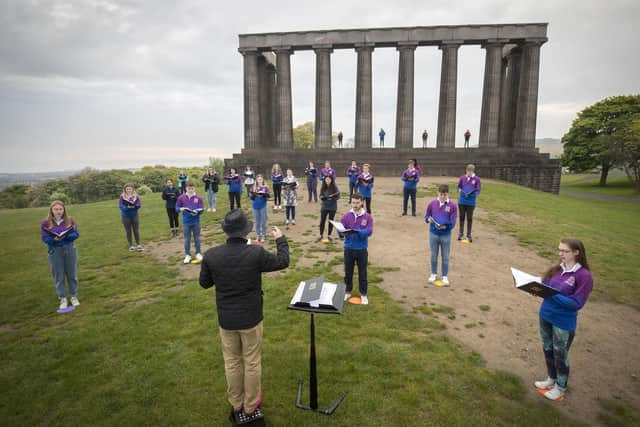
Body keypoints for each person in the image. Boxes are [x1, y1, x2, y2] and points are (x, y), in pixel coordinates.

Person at [199, 210, 289, 423]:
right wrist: (281, 239)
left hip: (227, 320)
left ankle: (237, 404)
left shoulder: (212, 255)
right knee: (251, 362)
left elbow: (204, 283)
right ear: (245, 232)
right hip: (250, 319)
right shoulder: (255, 253)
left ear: (227, 232)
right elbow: (282, 261)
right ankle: (249, 407)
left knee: (232, 362)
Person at [534, 238, 593, 401]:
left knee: (560, 354)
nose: (561, 254)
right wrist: (535, 289)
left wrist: (552, 294)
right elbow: (544, 285)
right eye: (559, 250)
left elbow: (576, 303)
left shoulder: (584, 276)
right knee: (548, 349)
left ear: (576, 253)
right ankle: (551, 379)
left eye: (565, 251)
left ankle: (560, 388)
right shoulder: (557, 269)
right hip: (545, 315)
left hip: (563, 322)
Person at [41, 200, 80, 310]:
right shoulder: (46, 223)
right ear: (51, 210)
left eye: (60, 209)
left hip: (69, 249)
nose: (58, 211)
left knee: (72, 273)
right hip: (54, 251)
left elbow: (76, 234)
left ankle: (73, 296)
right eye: (56, 209)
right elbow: (44, 238)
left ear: (64, 210)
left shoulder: (70, 220)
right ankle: (62, 297)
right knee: (59, 275)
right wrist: (54, 239)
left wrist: (66, 237)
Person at [341, 193, 373, 305]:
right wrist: (340, 233)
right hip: (348, 248)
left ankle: (363, 294)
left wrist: (358, 231)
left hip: (361, 249)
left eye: (357, 202)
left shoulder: (367, 217)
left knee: (362, 273)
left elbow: (369, 231)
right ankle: (347, 291)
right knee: (348, 272)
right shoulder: (346, 216)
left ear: (362, 202)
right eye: (353, 202)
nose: (355, 205)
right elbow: (341, 229)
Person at [425, 184, 457, 286]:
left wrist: (446, 227)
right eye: (441, 194)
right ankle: (433, 274)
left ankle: (444, 276)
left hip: (445, 235)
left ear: (448, 194)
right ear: (438, 193)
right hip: (433, 233)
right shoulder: (432, 204)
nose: (443, 196)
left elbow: (453, 221)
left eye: (445, 194)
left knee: (445, 256)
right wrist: (428, 219)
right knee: (434, 255)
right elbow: (427, 216)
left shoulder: (452, 206)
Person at [176, 181, 204, 264]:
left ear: (194, 188)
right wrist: (180, 209)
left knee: (197, 238)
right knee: (187, 239)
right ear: (186, 188)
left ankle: (198, 253)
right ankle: (187, 255)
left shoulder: (198, 198)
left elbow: (201, 209)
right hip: (186, 222)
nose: (190, 190)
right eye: (189, 188)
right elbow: (176, 208)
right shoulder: (181, 197)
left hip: (196, 222)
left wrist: (197, 212)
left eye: (192, 188)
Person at [457, 164, 481, 242]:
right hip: (462, 201)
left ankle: (469, 235)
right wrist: (460, 190)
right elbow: (459, 187)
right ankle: (461, 233)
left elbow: (478, 190)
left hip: (471, 202)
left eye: (471, 171)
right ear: (466, 170)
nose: (469, 173)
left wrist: (472, 194)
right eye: (468, 171)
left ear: (473, 171)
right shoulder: (462, 178)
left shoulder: (476, 179)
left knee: (469, 218)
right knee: (461, 217)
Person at [119, 183, 143, 251]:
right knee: (128, 231)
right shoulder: (122, 196)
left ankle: (138, 245)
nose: (129, 190)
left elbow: (139, 204)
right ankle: (131, 246)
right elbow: (120, 206)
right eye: (127, 189)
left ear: (132, 189)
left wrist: (136, 206)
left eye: (130, 189)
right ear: (125, 190)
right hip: (125, 216)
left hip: (134, 215)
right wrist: (126, 207)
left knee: (136, 230)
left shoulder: (136, 196)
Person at [317, 175, 340, 243]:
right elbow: (320, 195)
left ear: (331, 180)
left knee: (331, 221)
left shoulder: (335, 187)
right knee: (322, 221)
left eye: (329, 179)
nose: (327, 181)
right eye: (326, 179)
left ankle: (329, 235)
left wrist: (332, 198)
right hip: (324, 206)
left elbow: (338, 196)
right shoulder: (323, 187)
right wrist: (322, 197)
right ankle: (321, 235)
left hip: (332, 207)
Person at [250, 174, 270, 244]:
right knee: (257, 222)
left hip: (263, 206)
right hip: (255, 206)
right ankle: (258, 235)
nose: (260, 180)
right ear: (256, 180)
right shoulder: (254, 187)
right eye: (258, 179)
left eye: (261, 179)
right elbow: (251, 198)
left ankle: (264, 235)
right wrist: (253, 195)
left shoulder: (266, 187)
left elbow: (268, 197)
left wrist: (264, 195)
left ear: (263, 180)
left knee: (263, 222)